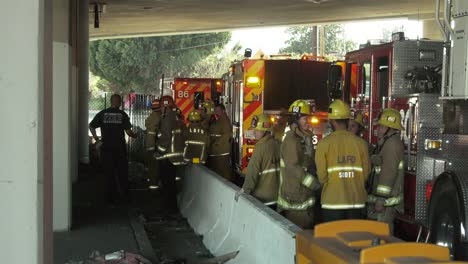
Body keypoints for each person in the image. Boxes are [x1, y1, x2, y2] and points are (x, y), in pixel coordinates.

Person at [315, 99, 370, 222]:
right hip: (356, 202)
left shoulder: (323, 144)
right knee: (354, 240)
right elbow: (365, 174)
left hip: (332, 203)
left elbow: (322, 178)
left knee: (333, 240)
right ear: (348, 119)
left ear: (332, 121)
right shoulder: (361, 144)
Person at [278, 100, 320, 229]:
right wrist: (312, 183)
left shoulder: (304, 137)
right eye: (304, 118)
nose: (307, 121)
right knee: (300, 233)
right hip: (295, 195)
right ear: (295, 120)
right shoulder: (292, 140)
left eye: (308, 118)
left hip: (303, 194)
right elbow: (293, 167)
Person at [89, 94, 138, 204]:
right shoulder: (122, 114)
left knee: (108, 173)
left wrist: (97, 139)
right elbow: (129, 132)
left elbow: (91, 126)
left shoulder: (103, 114)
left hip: (106, 148)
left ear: (111, 102)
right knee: (122, 172)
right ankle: (124, 197)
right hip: (119, 148)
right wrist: (135, 135)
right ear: (119, 102)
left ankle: (109, 198)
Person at [367, 108, 404, 233]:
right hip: (382, 201)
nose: (378, 129)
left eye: (381, 126)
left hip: (385, 202)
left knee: (382, 235)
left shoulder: (392, 144)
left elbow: (389, 172)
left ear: (389, 128)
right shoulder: (387, 142)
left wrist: (381, 199)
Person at [242, 114, 280, 204]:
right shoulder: (278, 144)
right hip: (277, 197)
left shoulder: (260, 147)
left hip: (263, 199)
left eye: (257, 130)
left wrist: (244, 192)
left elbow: (252, 174)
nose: (254, 132)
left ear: (265, 131)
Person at [154, 95, 184, 211]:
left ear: (165, 107)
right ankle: (171, 209)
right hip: (175, 157)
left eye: (161, 107)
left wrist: (159, 152)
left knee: (167, 185)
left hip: (168, 157)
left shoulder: (167, 118)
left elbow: (166, 137)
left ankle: (169, 210)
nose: (160, 109)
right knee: (171, 184)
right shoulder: (176, 117)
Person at [206, 103, 233, 181]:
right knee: (217, 172)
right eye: (215, 110)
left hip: (221, 152)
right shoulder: (218, 120)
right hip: (217, 151)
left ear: (223, 111)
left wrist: (216, 143)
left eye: (218, 110)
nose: (216, 112)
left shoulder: (225, 121)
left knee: (223, 173)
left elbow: (227, 135)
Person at [144, 99, 161, 188]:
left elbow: (147, 126)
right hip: (156, 146)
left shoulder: (150, 117)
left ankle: (152, 184)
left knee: (151, 167)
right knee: (156, 167)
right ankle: (155, 187)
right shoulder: (160, 117)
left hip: (149, 145)